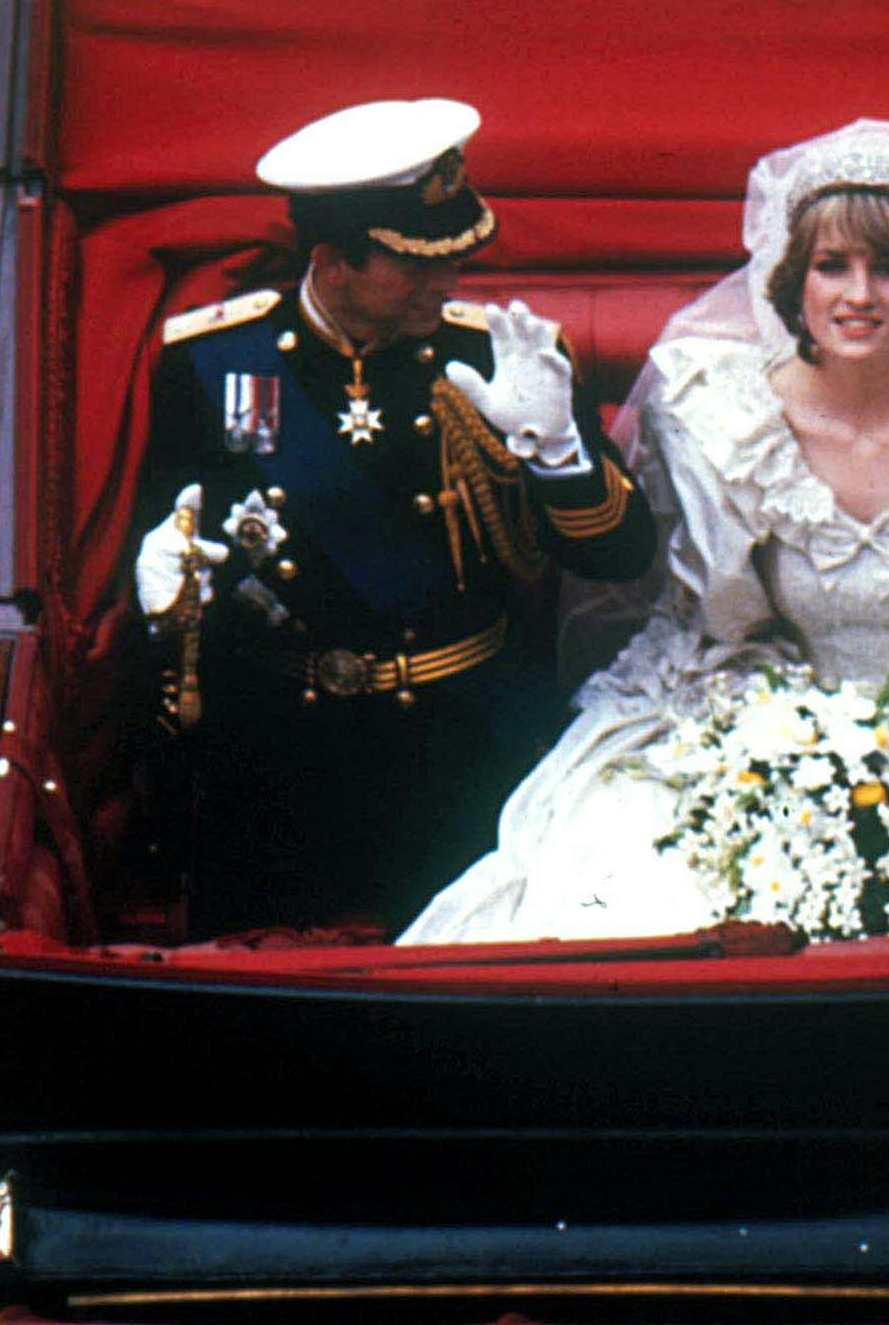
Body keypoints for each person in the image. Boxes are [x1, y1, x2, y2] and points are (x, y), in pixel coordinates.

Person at [399, 119, 889, 948]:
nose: (860, 296)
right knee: (638, 883)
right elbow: (719, 628)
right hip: (779, 717)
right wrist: (777, 755)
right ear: (791, 282)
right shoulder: (723, 416)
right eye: (832, 267)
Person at [132, 98, 656, 937]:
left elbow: (620, 558)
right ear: (336, 260)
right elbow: (177, 546)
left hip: (464, 748)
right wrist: (166, 589)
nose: (444, 282)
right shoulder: (214, 360)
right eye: (414, 266)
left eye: (451, 260)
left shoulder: (500, 356)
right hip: (282, 758)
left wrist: (558, 450)